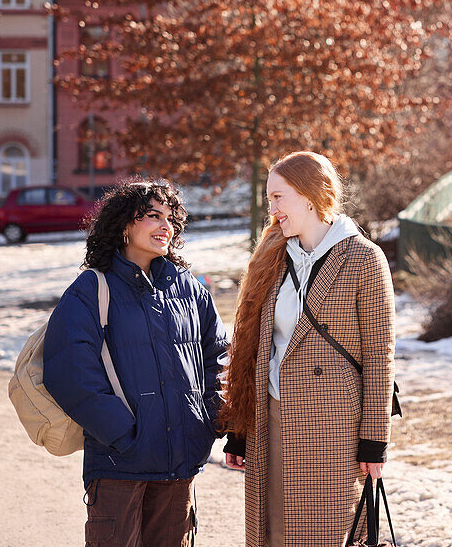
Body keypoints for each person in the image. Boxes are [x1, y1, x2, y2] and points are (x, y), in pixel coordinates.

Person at [221, 151, 395, 547]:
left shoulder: (364, 258)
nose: (273, 209)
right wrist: (240, 428)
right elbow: (252, 346)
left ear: (309, 195)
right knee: (275, 532)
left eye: (279, 197)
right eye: (270, 199)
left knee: (327, 534)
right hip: (272, 414)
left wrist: (374, 441)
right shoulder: (273, 257)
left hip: (336, 427)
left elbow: (380, 359)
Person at [43, 179, 229, 547]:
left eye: (170, 218)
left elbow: (219, 357)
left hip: (179, 463)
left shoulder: (190, 290)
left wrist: (209, 419)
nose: (166, 226)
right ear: (125, 224)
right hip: (118, 465)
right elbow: (69, 372)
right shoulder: (91, 290)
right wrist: (124, 434)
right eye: (152, 216)